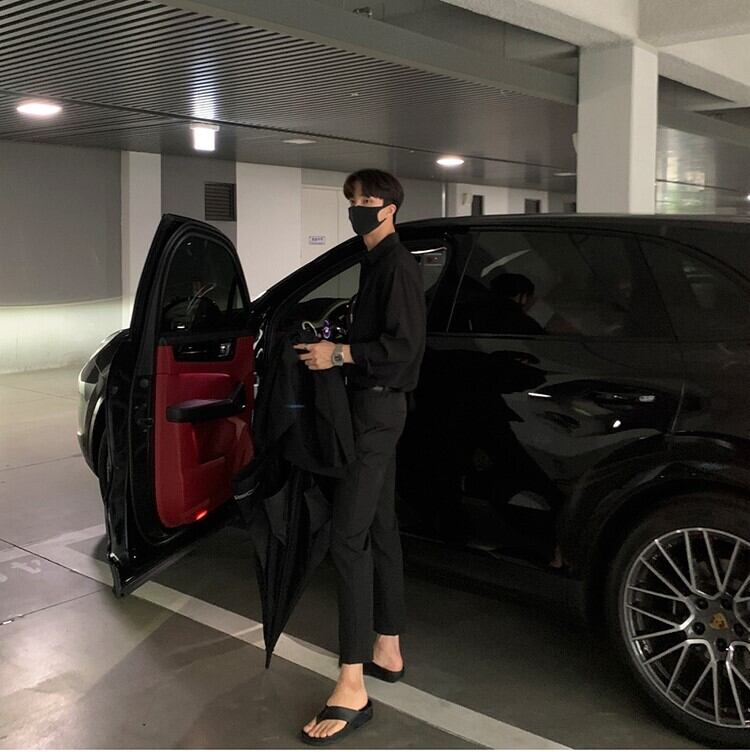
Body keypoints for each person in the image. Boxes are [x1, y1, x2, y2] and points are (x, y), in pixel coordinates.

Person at [294, 168, 426, 744]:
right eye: (352, 200)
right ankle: (387, 648)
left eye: (368, 200)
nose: (358, 208)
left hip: (377, 410)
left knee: (347, 539)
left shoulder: (396, 266)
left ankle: (352, 685)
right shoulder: (374, 263)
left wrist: (339, 354)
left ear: (390, 208)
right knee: (380, 525)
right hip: (374, 409)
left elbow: (404, 350)